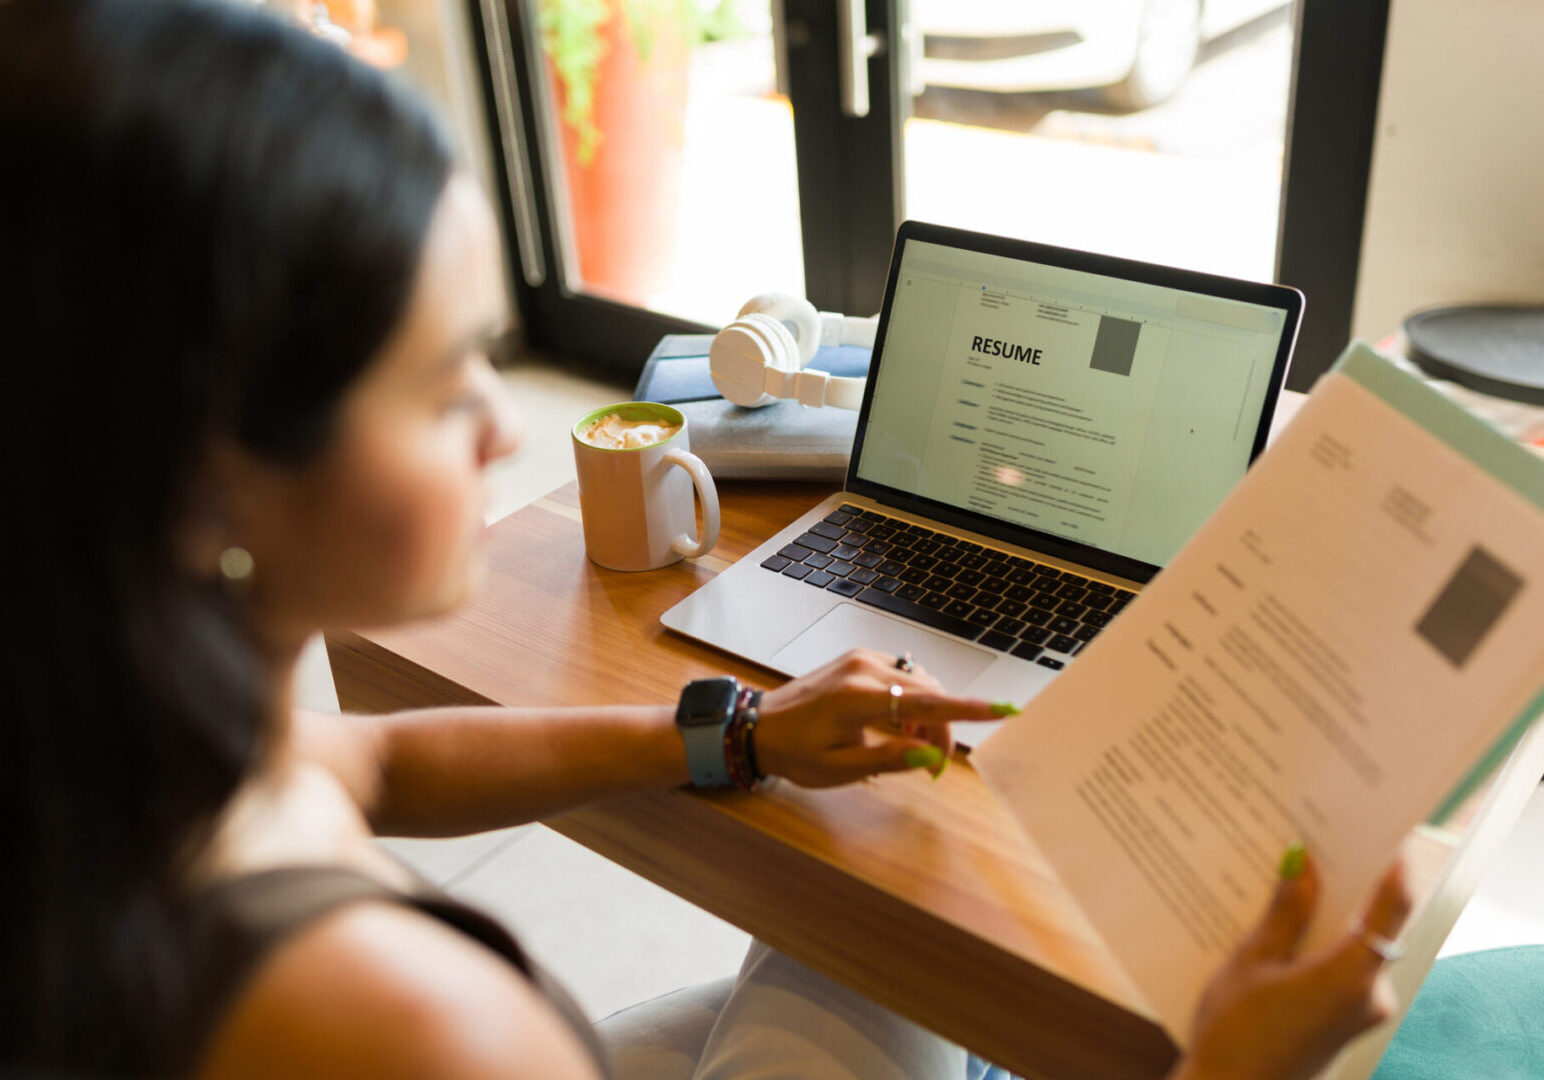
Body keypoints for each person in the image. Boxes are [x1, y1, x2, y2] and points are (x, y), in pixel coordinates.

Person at [0, 1, 1409, 1077]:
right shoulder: (409, 1022)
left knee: (870, 939)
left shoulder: (129, 757)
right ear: (212, 479)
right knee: (924, 957)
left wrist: (740, 730)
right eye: (441, 383)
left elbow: (365, 757)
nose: (504, 423)